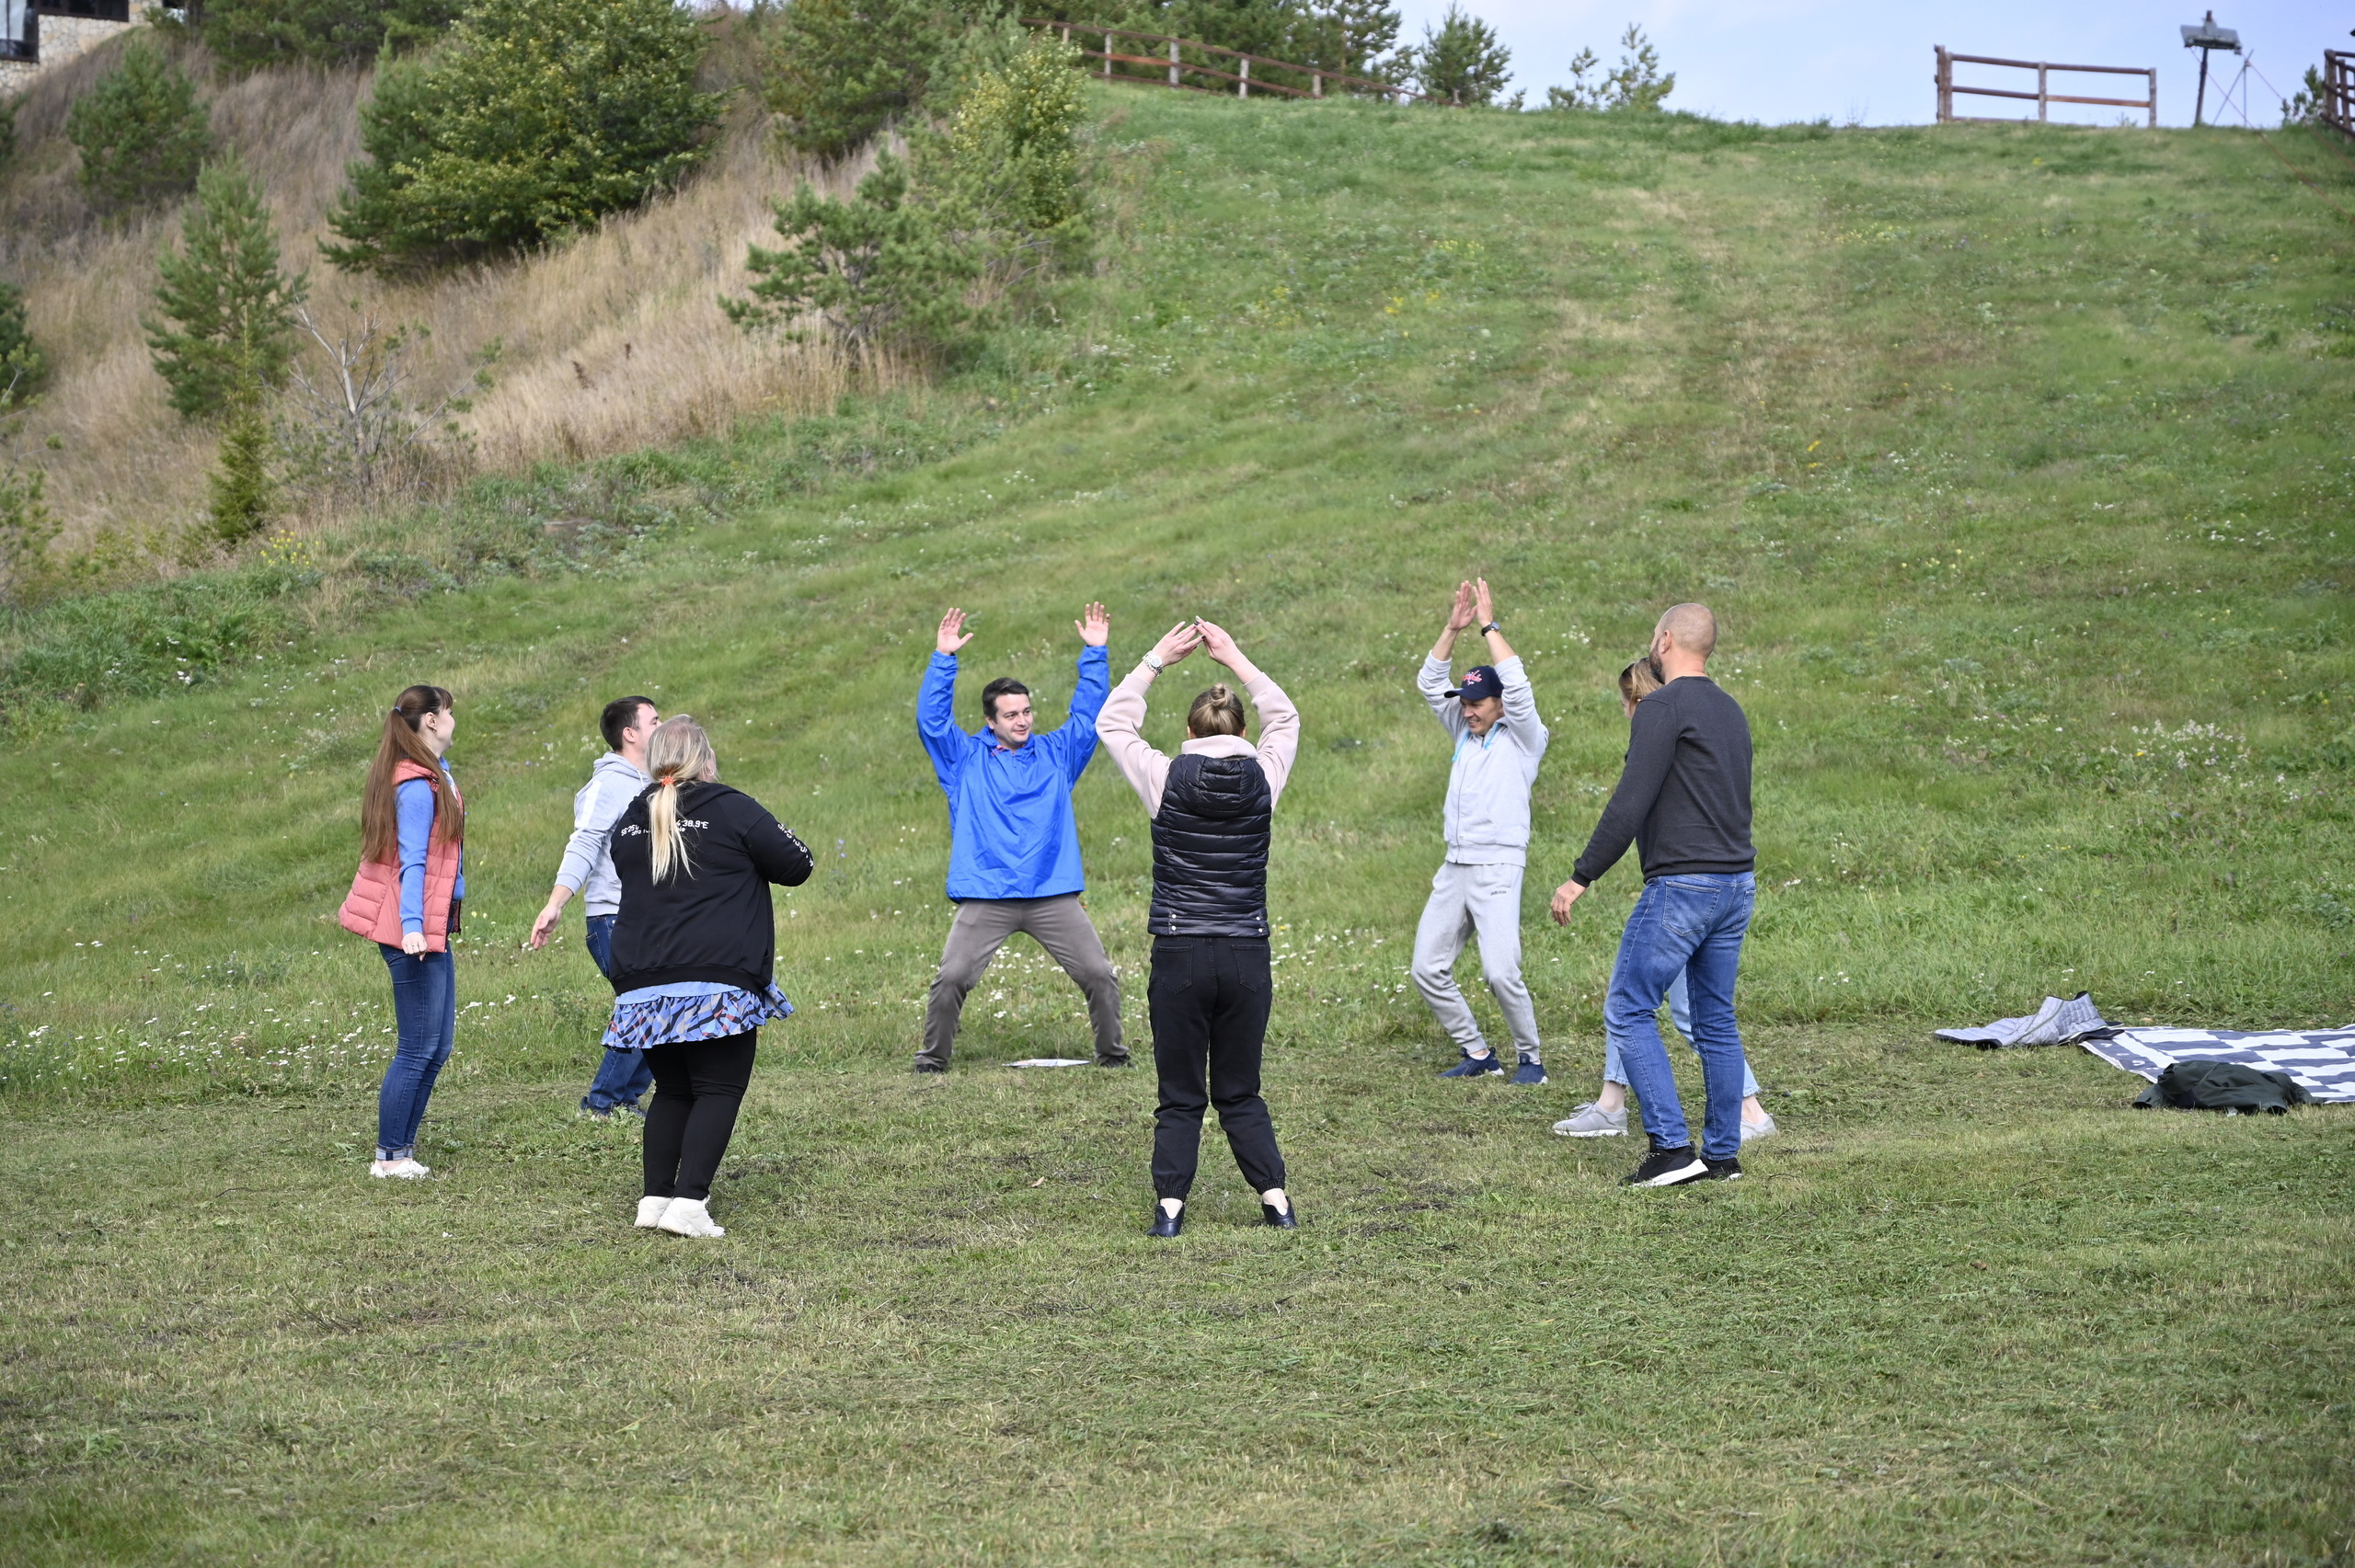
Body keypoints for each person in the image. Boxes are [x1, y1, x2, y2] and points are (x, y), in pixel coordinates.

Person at [1098, 618, 1302, 1237]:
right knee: (1240, 1088)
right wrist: (1235, 657)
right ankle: (1275, 1199)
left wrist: (1155, 659)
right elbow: (1285, 718)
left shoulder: (1164, 777)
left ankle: (1170, 1209)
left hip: (1181, 950)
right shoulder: (1264, 775)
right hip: (1245, 953)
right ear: (1243, 731)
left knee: (1181, 1092)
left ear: (1188, 732)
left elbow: (1113, 722)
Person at [1549, 603, 1757, 1188]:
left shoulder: (1663, 706)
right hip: (1736, 884)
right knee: (1715, 1019)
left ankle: (1671, 1149)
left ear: (1665, 641)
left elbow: (1629, 801)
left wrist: (1581, 876)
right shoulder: (1730, 708)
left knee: (1628, 1007)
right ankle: (1722, 1156)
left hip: (1684, 887)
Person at [603, 716, 813, 1238]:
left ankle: (655, 1199)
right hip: (714, 977)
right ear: (706, 759)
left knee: (673, 1088)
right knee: (719, 1088)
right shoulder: (730, 806)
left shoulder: (633, 816)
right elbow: (797, 864)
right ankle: (689, 1204)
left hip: (641, 980)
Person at [914, 603, 1125, 1073]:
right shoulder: (964, 760)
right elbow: (932, 723)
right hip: (987, 893)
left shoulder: (1057, 754)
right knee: (951, 978)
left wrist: (1095, 653)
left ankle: (1114, 1057)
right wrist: (943, 659)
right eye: (1011, 715)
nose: (1022, 720)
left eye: (1027, 711)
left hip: (1051, 892)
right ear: (991, 721)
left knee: (1099, 974)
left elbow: (1089, 715)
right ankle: (932, 1061)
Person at [1413, 578, 1551, 1085]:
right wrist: (1453, 629)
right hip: (1455, 866)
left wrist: (1490, 627)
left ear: (1500, 704)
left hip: (1498, 867)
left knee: (1500, 972)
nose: (1467, 710)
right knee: (1427, 968)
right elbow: (1430, 683)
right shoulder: (1462, 729)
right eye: (1464, 702)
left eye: (1477, 703)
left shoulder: (1525, 737)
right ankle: (1478, 1053)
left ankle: (1531, 1060)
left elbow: (1519, 685)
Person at [337, 685, 465, 1180]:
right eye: (448, 712)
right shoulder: (416, 785)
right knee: (417, 1047)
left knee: (437, 1045)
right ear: (430, 721)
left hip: (432, 925)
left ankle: (402, 1151)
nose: (452, 719)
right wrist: (412, 927)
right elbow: (413, 861)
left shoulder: (434, 774)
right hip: (411, 931)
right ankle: (389, 1156)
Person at [525, 694, 662, 1118]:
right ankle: (603, 1101)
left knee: (662, 1003)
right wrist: (556, 903)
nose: (662, 728)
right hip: (613, 918)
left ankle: (624, 1098)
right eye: (654, 721)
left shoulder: (656, 782)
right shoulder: (607, 785)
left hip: (651, 917)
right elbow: (583, 844)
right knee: (644, 1003)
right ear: (630, 733)